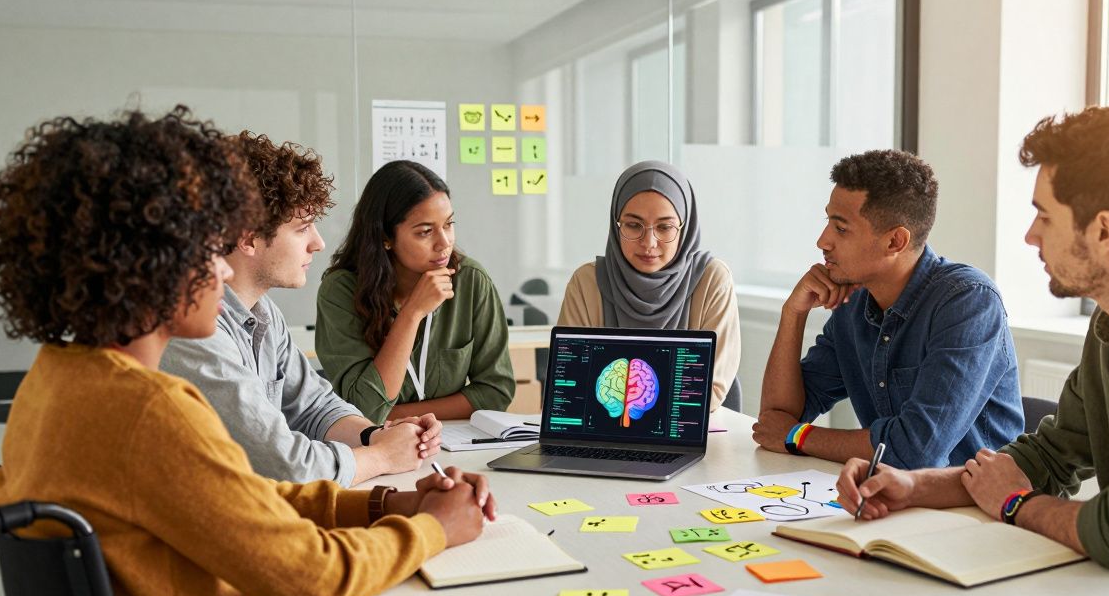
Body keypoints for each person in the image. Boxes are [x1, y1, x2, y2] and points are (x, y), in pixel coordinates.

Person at [0, 107, 496, 596]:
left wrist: (389, 503)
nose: (225, 268)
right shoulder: (150, 410)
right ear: (150, 265)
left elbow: (245, 501)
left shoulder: (57, 379)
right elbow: (315, 579)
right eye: (208, 250)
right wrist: (434, 529)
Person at [832, 103, 1109, 596]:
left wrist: (1016, 505)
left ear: (1104, 231)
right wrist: (911, 485)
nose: (1031, 235)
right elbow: (1045, 458)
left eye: (1044, 216)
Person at [161, 131, 437, 486]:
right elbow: (285, 465)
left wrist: (376, 436)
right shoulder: (195, 331)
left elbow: (313, 407)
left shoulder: (263, 313)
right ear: (248, 238)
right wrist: (382, 456)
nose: (318, 243)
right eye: (302, 228)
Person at [755, 149, 1023, 468]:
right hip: (892, 493)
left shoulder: (968, 301)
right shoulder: (855, 303)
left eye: (841, 229)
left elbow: (916, 451)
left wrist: (798, 437)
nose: (822, 241)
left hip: (973, 497)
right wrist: (793, 314)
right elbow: (776, 419)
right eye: (828, 221)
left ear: (895, 241)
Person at [317, 161, 514, 422]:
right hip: (378, 443)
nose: (444, 243)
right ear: (386, 237)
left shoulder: (470, 280)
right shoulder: (340, 291)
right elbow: (365, 406)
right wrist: (412, 314)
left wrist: (396, 415)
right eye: (425, 232)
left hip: (452, 440)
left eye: (448, 224)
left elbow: (496, 392)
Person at [557, 160, 742, 411]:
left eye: (665, 227)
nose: (649, 243)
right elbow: (570, 384)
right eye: (634, 225)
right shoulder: (587, 283)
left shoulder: (711, 280)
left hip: (684, 429)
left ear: (685, 227)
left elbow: (710, 389)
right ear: (616, 225)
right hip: (599, 430)